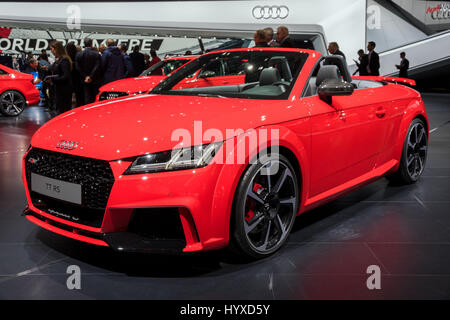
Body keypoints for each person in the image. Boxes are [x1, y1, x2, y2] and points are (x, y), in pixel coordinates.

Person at [47, 40, 73, 114]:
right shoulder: (58, 59)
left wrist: (53, 80)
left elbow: (65, 76)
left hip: (64, 90)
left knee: (64, 111)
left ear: (57, 49)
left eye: (52, 49)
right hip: (59, 89)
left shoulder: (64, 60)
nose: (51, 51)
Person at [76, 37, 102, 104]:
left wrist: (86, 77)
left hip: (84, 80)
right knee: (95, 98)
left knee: (87, 98)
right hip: (95, 80)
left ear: (84, 44)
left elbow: (78, 68)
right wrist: (90, 76)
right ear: (91, 44)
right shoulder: (96, 54)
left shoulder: (79, 54)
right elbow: (97, 66)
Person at [65, 42, 84, 107]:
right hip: (78, 77)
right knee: (79, 95)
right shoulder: (78, 55)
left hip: (70, 78)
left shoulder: (67, 58)